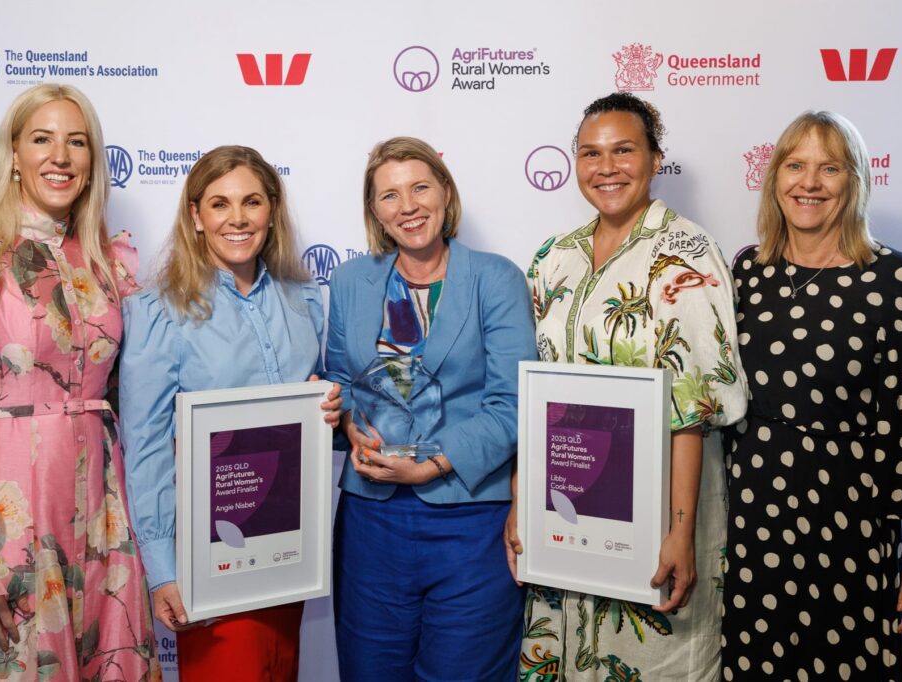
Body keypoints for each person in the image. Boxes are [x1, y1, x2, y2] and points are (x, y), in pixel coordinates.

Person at [0, 83, 159, 680]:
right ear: (14, 155)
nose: (61, 155)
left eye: (77, 142)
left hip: (102, 507)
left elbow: (145, 390)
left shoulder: (107, 260)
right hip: (11, 518)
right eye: (42, 139)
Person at [508, 92, 748, 681]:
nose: (606, 167)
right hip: (567, 498)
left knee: (650, 658)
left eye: (623, 150)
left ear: (654, 157)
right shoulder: (553, 258)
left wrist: (681, 530)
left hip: (662, 500)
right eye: (590, 153)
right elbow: (535, 401)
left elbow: (693, 406)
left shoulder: (686, 253)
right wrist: (520, 504)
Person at [722, 111, 902, 681]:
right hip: (749, 528)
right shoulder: (748, 271)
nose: (809, 183)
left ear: (855, 181)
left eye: (830, 168)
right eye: (795, 166)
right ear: (775, 179)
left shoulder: (890, 279)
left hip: (847, 529)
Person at [119, 145, 341, 682]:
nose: (237, 218)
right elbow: (145, 448)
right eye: (219, 204)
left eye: (252, 202)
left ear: (272, 209)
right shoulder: (157, 312)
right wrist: (162, 570)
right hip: (208, 557)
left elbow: (319, 412)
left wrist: (332, 406)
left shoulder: (302, 299)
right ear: (195, 216)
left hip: (289, 547)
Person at [325, 136, 536, 680]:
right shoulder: (351, 281)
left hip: (470, 518)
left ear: (445, 193)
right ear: (374, 210)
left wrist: (434, 463)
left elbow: (513, 402)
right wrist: (344, 418)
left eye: (420, 187)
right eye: (389, 195)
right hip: (371, 519)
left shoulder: (497, 278)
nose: (408, 206)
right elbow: (342, 382)